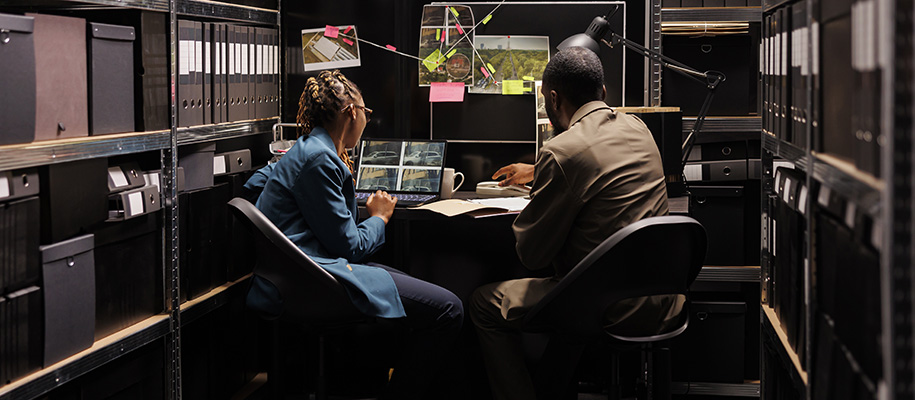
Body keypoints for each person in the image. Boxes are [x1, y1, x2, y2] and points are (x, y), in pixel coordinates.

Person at [470, 47, 685, 400]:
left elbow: (532, 255)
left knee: (485, 303)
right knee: (573, 285)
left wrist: (544, 179)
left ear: (553, 98)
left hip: (606, 305)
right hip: (662, 297)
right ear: (602, 92)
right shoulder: (639, 128)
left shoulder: (561, 150)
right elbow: (599, 163)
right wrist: (538, 171)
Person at [247, 70, 463, 400]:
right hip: (315, 280)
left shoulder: (307, 148)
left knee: (412, 292)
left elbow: (254, 185)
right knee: (449, 309)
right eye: (366, 112)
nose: (367, 120)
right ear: (352, 112)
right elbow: (353, 247)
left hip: (299, 272)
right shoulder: (320, 158)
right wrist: (379, 216)